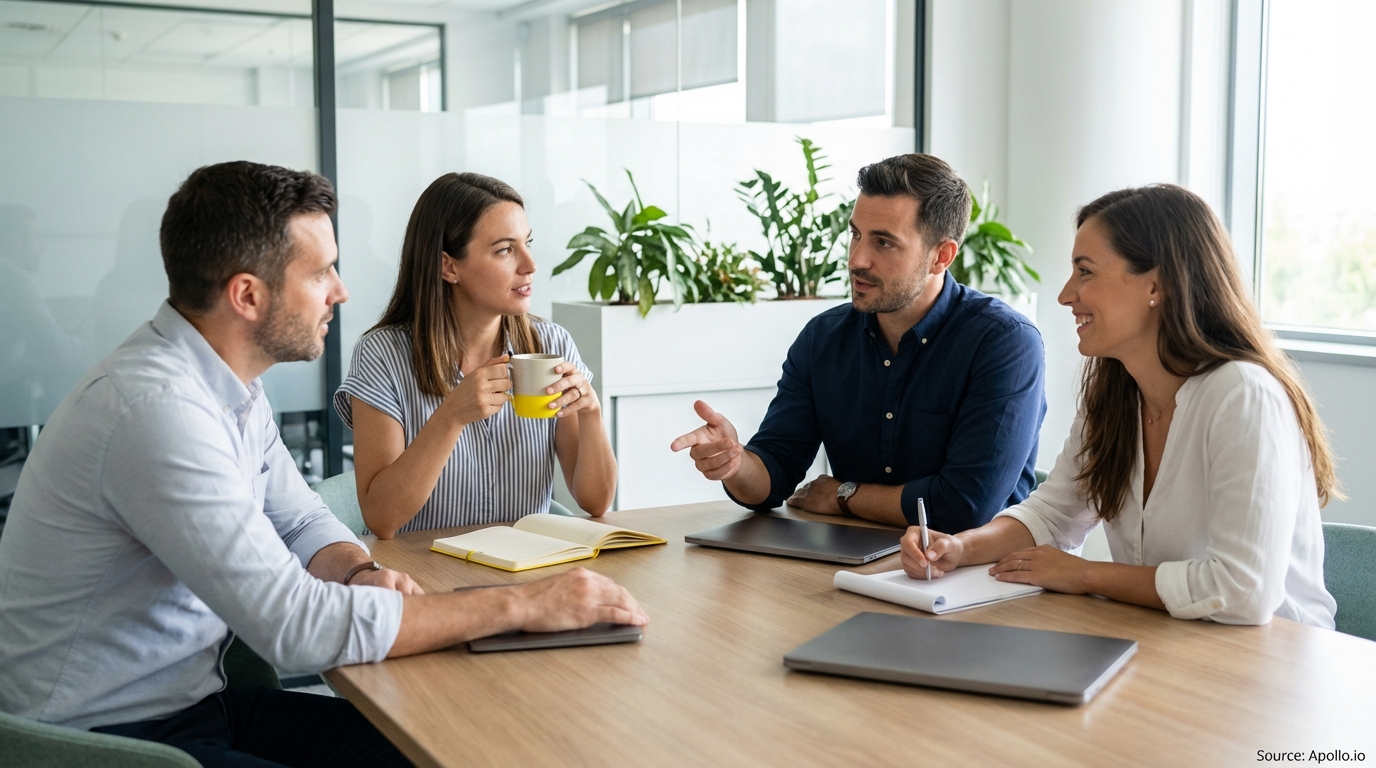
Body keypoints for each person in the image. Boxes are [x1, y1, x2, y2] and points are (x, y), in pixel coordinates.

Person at [0, 161, 647, 767]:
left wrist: (361, 570)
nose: (339, 291)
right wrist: (521, 605)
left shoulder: (230, 391)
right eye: (319, 274)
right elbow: (295, 629)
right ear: (247, 295)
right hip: (107, 738)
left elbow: (303, 518)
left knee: (445, 749)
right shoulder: (156, 412)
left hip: (197, 702)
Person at [901, 184, 1338, 628]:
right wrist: (959, 548)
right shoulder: (1115, 395)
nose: (1066, 294)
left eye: (1085, 272)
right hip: (1168, 641)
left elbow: (1242, 593)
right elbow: (1053, 515)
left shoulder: (1243, 396)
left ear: (1157, 284)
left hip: (1275, 664)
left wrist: (1087, 574)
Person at [671, 154, 1046, 532]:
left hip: (980, 572)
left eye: (884, 243)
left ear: (941, 256)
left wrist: (843, 495)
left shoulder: (1005, 343)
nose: (857, 259)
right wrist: (736, 464)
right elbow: (775, 473)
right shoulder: (823, 339)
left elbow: (964, 506)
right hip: (858, 557)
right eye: (856, 234)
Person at [338, 172, 615, 538]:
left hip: (525, 570)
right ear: (448, 266)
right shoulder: (383, 355)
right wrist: (451, 415)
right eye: (505, 249)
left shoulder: (551, 345)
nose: (530, 264)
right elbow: (381, 518)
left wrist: (591, 412)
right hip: (424, 576)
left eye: (527, 243)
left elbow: (596, 502)